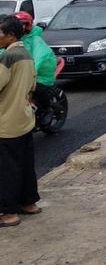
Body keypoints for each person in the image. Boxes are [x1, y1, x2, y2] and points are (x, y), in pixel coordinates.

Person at [0, 15, 40, 227]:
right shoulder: (26, 54)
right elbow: (31, 85)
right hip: (24, 118)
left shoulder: (7, 57)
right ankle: (28, 203)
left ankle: (9, 213)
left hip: (6, 122)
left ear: (11, 35)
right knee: (25, 165)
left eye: (0, 32)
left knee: (7, 170)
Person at [13, 12, 56, 122]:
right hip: (16, 73)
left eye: (22, 24)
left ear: (28, 25)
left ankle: (47, 109)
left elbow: (40, 56)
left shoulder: (35, 40)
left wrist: (31, 71)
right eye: (17, 24)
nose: (20, 27)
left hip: (38, 74)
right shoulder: (10, 39)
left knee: (37, 88)